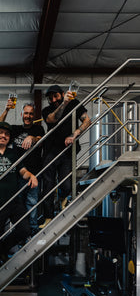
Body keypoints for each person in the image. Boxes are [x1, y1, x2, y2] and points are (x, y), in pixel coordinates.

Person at [0, 121, 38, 273]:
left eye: (7, 134)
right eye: (0, 133)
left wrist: (32, 175)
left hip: (14, 200)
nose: (3, 136)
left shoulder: (13, 153)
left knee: (25, 229)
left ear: (9, 137)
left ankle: (5, 248)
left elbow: (22, 171)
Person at [40, 85, 91, 227]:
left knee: (67, 184)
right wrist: (64, 103)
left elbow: (87, 121)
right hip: (50, 150)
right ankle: (48, 217)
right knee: (48, 185)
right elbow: (52, 119)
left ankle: (63, 197)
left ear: (63, 93)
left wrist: (75, 134)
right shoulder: (47, 110)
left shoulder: (75, 103)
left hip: (68, 150)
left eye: (56, 96)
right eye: (51, 98)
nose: (53, 99)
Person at [0, 100, 45, 228]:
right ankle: (20, 233)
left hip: (34, 173)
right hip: (17, 174)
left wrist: (32, 138)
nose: (28, 116)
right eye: (26, 113)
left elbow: (41, 140)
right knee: (18, 205)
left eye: (30, 114)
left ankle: (32, 232)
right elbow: (0, 126)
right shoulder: (15, 129)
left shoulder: (38, 128)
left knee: (32, 203)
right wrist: (7, 110)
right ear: (21, 114)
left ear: (34, 116)